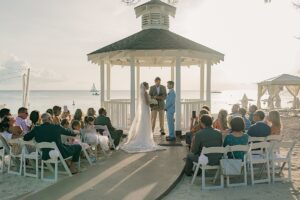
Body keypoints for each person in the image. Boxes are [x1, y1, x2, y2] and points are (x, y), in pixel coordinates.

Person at [121, 82, 166, 153]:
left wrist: (152, 101)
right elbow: (147, 102)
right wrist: (153, 102)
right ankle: (144, 138)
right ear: (145, 86)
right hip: (145, 109)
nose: (148, 86)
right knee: (145, 123)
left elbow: (145, 102)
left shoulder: (143, 93)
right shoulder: (145, 93)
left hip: (144, 109)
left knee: (144, 123)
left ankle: (143, 137)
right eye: (147, 85)